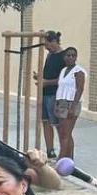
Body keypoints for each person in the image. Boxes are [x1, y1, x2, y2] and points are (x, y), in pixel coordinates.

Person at [33, 30, 65, 160]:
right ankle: (50, 150)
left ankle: (64, 151)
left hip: (55, 95)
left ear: (54, 42)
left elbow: (63, 79)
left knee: (57, 124)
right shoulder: (49, 56)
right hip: (44, 94)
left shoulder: (64, 56)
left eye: (47, 45)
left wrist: (47, 82)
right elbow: (47, 74)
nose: (46, 48)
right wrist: (39, 77)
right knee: (45, 122)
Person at [54, 46, 86, 161]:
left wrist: (72, 108)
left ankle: (61, 159)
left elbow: (80, 89)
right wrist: (56, 105)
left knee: (65, 134)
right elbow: (60, 88)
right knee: (65, 132)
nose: (71, 58)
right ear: (64, 57)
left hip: (72, 104)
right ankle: (69, 158)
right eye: (68, 55)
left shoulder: (79, 71)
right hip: (61, 103)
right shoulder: (63, 70)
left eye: (73, 55)